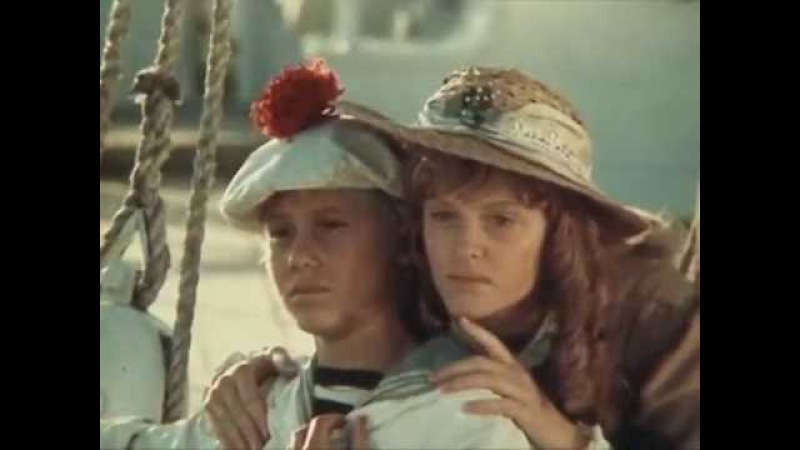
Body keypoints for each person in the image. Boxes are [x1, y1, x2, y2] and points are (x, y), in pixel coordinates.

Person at [216, 66, 700, 450]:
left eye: (501, 220)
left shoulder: (657, 319)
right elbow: (351, 341)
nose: (466, 246)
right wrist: (259, 373)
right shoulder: (423, 282)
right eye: (444, 216)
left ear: (557, 232)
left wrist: (564, 437)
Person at [100, 60, 534, 450]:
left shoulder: (468, 420)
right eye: (281, 233)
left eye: (331, 226)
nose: (299, 256)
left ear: (403, 239)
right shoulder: (254, 413)